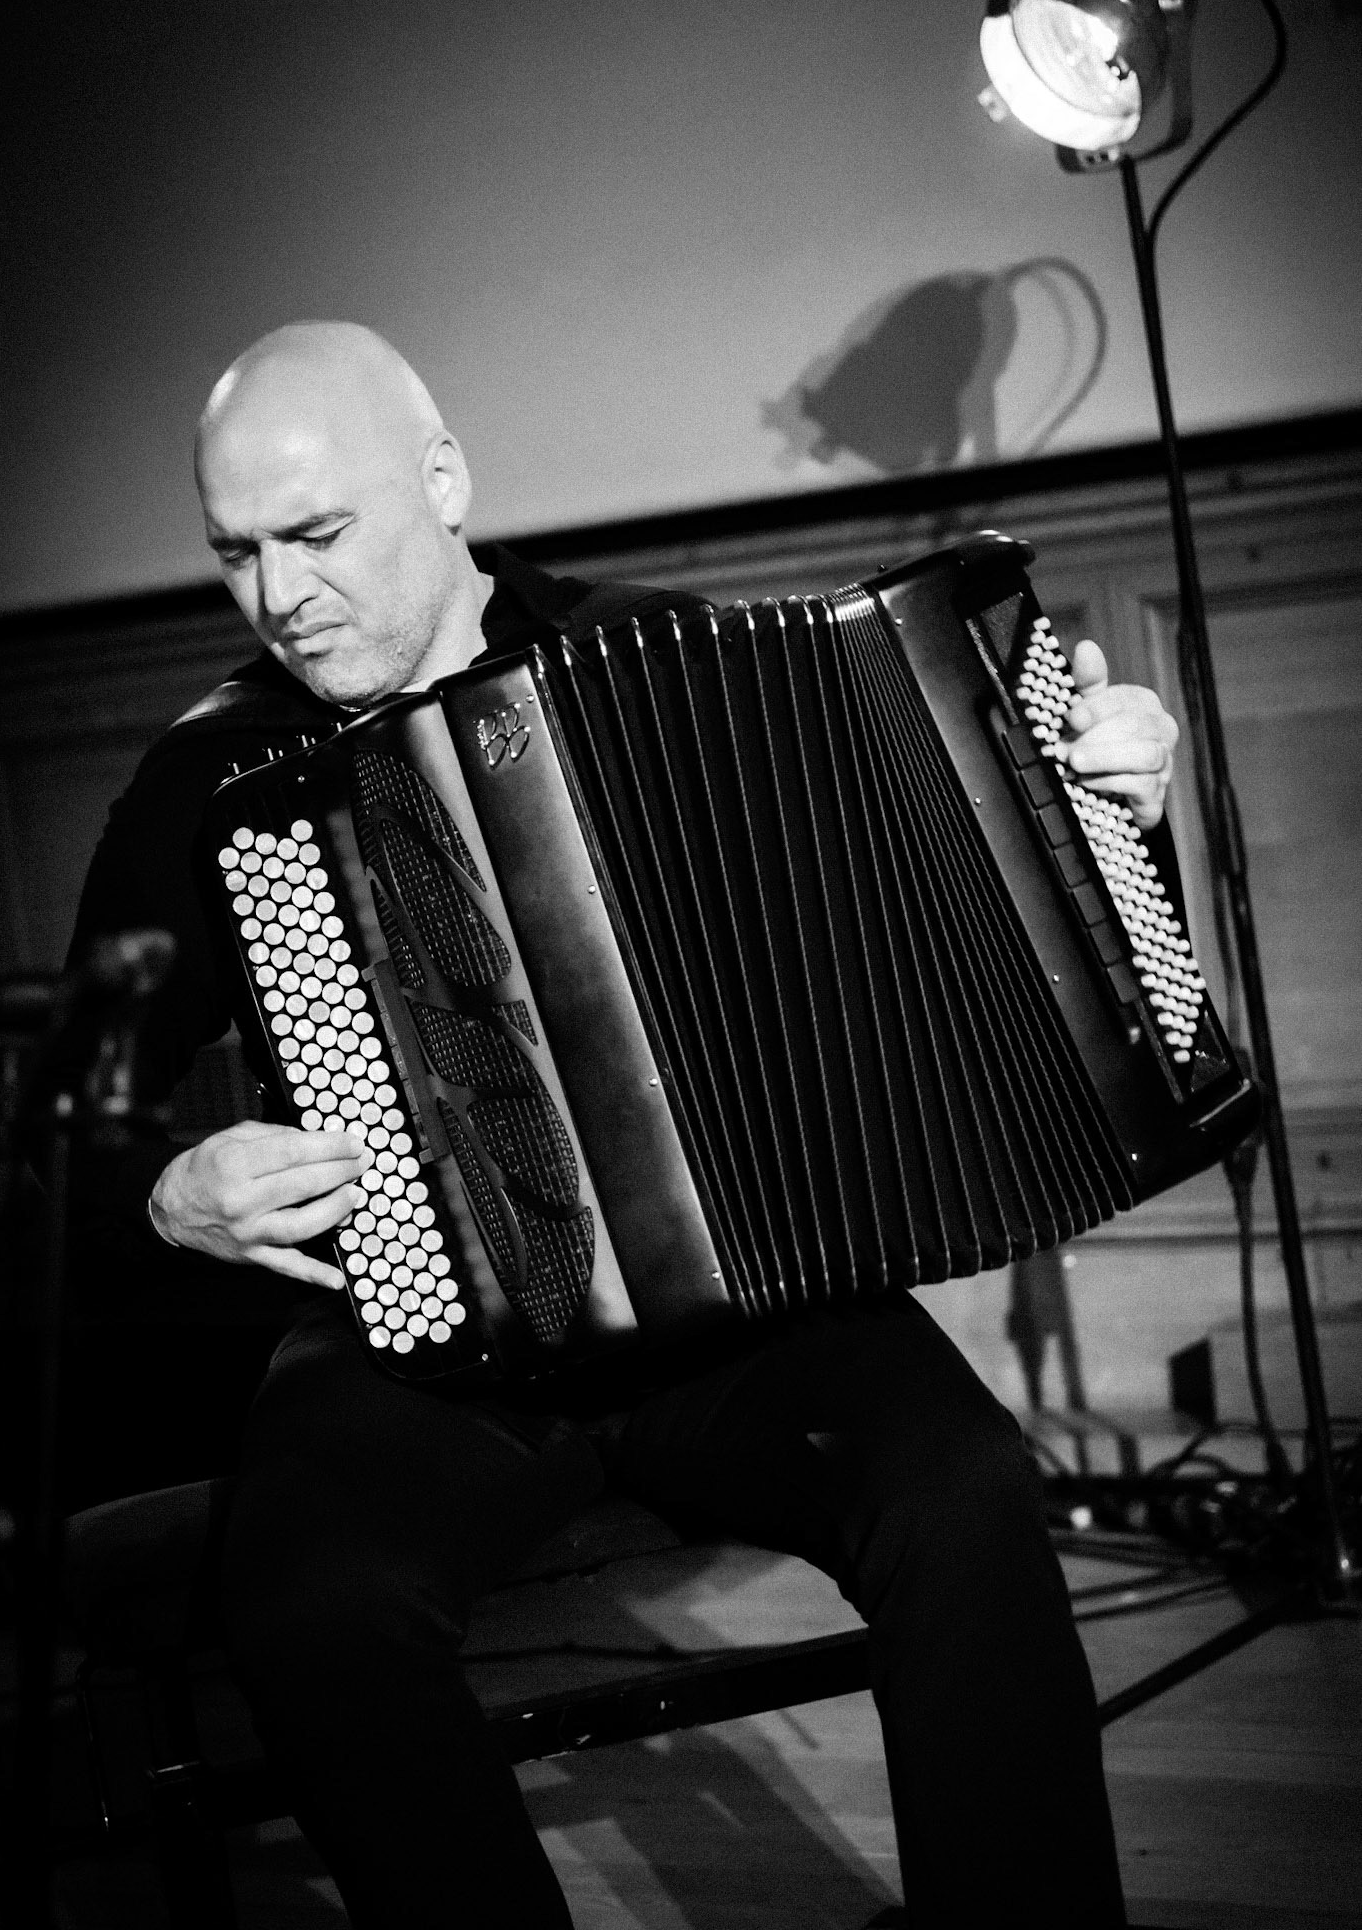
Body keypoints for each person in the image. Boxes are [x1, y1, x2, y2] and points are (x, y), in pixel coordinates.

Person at [68, 321, 1181, 1927]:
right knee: (315, 1604)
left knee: (967, 1498)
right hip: (431, 1342)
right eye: (234, 555)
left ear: (442, 481)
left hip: (753, 1307)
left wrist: (1096, 804)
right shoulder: (208, 784)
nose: (279, 594)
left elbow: (956, 894)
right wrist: (166, 1191)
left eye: (317, 535)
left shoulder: (663, 657)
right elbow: (63, 1135)